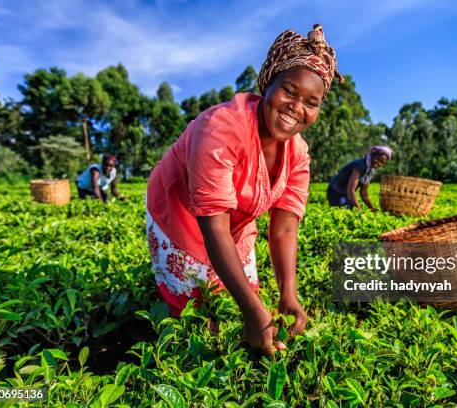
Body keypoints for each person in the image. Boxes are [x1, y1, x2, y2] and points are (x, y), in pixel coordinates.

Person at [146, 24, 342, 355]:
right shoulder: (221, 128)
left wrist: (288, 294)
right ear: (268, 84)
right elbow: (214, 226)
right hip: (180, 212)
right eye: (289, 91)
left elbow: (284, 229)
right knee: (197, 317)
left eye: (312, 101)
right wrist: (253, 313)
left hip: (236, 218)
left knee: (244, 299)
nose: (297, 108)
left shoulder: (298, 154)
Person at [327, 146, 393, 211]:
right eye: (378, 159)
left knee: (352, 210)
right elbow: (350, 189)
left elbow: (363, 193)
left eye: (382, 162)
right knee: (344, 211)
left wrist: (371, 208)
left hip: (346, 193)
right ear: (373, 155)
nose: (378, 163)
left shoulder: (371, 171)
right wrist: (359, 209)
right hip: (335, 191)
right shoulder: (360, 165)